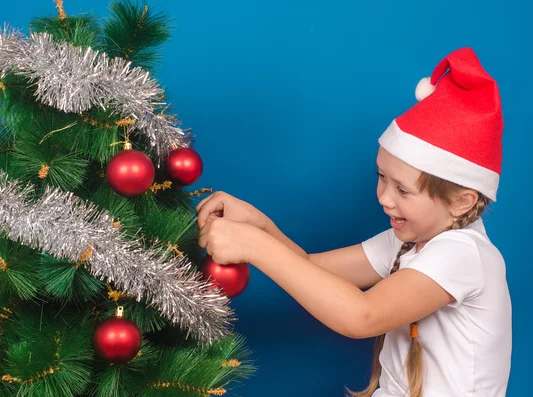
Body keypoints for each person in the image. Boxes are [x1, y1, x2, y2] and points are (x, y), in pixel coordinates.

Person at [196, 47, 512, 397]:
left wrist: (256, 247)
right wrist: (261, 226)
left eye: (403, 190)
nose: (384, 198)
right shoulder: (407, 240)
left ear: (460, 201)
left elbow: (362, 316)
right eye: (382, 177)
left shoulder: (463, 253)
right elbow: (311, 271)